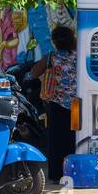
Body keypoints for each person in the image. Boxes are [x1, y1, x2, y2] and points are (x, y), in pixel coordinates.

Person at [31, 25, 78, 182]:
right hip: (77, 105)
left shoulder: (51, 56)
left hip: (57, 105)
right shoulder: (80, 56)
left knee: (56, 140)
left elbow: (34, 73)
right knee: (74, 138)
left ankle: (57, 174)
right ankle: (75, 173)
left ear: (54, 42)